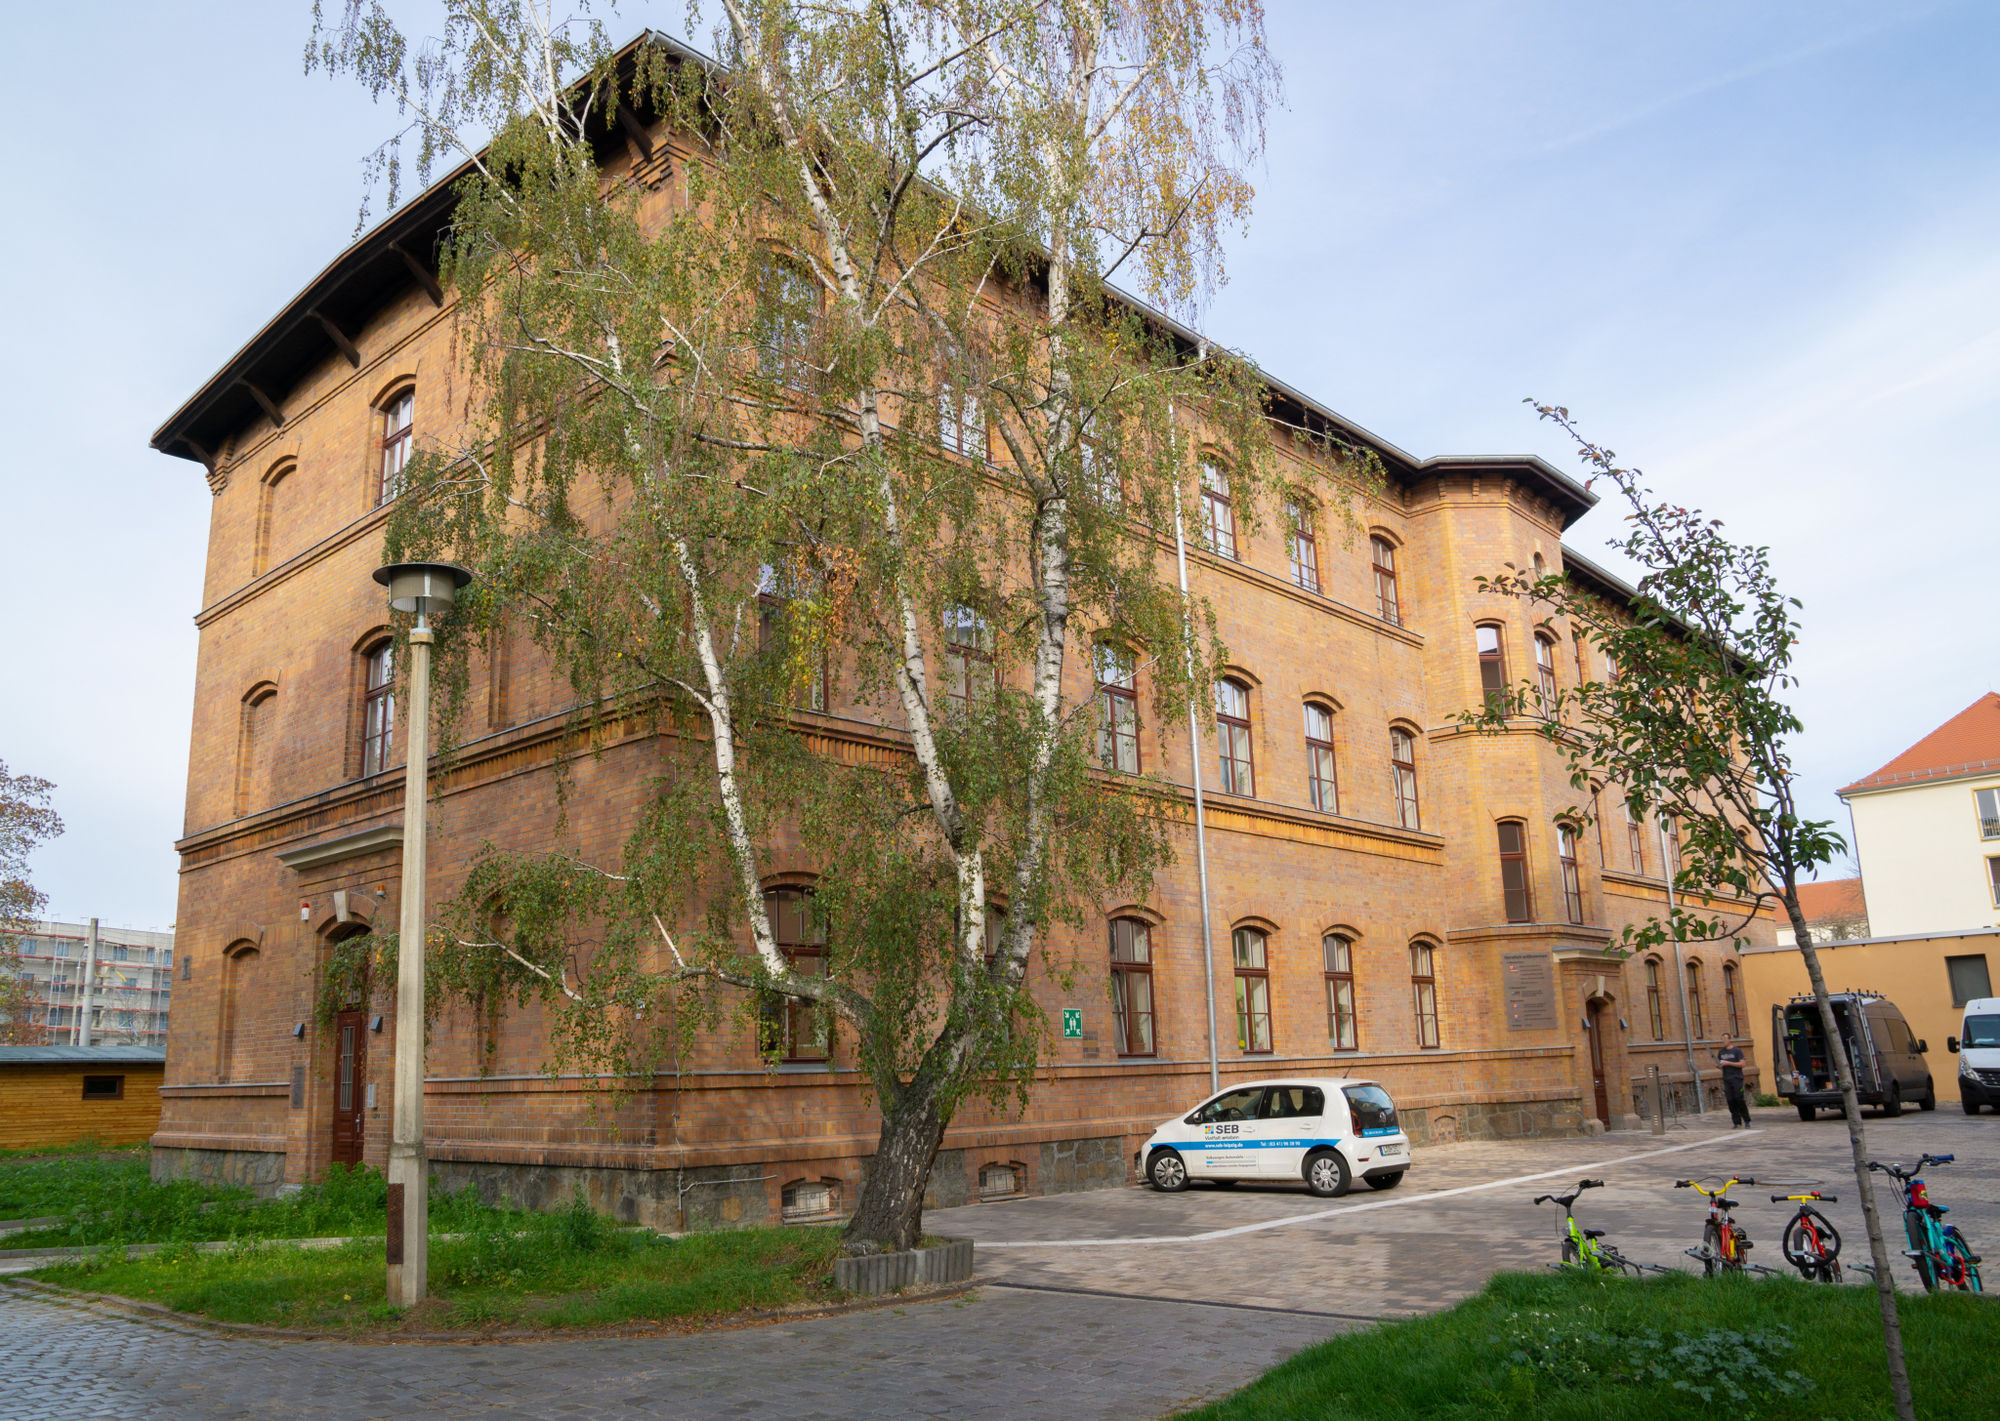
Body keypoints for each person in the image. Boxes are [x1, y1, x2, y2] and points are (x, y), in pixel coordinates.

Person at [1716, 1035, 1751, 1128]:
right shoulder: (1721, 1052)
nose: (1723, 1041)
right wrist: (1720, 1065)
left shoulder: (1737, 1051)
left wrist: (1729, 1063)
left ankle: (1746, 1119)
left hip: (1736, 1078)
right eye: (1722, 1039)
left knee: (1739, 1098)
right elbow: (1720, 1064)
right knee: (1730, 1100)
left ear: (1730, 1040)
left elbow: (1743, 1064)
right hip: (1727, 1078)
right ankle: (1736, 1122)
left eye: (1725, 1039)